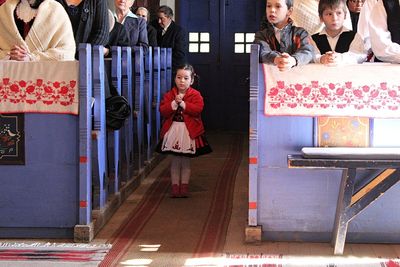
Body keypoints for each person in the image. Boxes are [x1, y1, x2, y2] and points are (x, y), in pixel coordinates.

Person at [157, 64, 212, 198]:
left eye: (186, 78)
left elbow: (197, 109)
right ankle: (175, 187)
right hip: (174, 129)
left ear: (191, 80)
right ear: (175, 79)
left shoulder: (196, 94)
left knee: (186, 161)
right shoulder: (170, 94)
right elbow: (163, 110)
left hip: (187, 131)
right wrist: (174, 103)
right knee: (175, 160)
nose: (182, 81)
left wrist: (183, 104)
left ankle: (184, 186)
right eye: (179, 77)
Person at [0, 0, 75, 61]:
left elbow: (67, 52)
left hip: (47, 76)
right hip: (8, 75)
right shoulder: (3, 10)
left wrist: (32, 58)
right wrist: (9, 56)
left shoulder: (56, 10)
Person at [254, 0, 314, 71]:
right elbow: (262, 53)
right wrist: (276, 59)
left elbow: (308, 52)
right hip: (270, 79)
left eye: (278, 6)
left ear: (289, 11)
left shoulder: (300, 33)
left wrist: (293, 60)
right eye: (269, 6)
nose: (272, 10)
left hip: (297, 79)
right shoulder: (261, 35)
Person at [310, 0, 367, 65]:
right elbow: (310, 56)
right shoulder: (313, 39)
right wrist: (321, 59)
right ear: (321, 18)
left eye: (339, 13)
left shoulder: (354, 36)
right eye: (329, 14)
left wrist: (341, 58)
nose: (334, 18)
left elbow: (360, 56)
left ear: (345, 15)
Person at [154, 5, 188, 72]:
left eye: (161, 18)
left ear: (170, 18)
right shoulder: (153, 26)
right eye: (158, 18)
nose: (159, 21)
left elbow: (179, 54)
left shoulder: (179, 31)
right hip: (156, 67)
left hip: (172, 68)